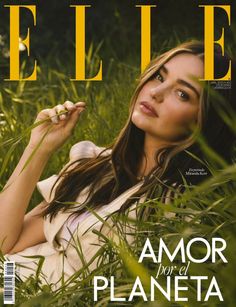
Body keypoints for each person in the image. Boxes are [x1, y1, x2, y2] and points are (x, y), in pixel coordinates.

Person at [0, 41, 235, 290]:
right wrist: (38, 149)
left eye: (182, 94)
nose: (156, 92)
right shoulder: (94, 166)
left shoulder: (180, 209)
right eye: (158, 76)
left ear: (205, 121)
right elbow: (7, 242)